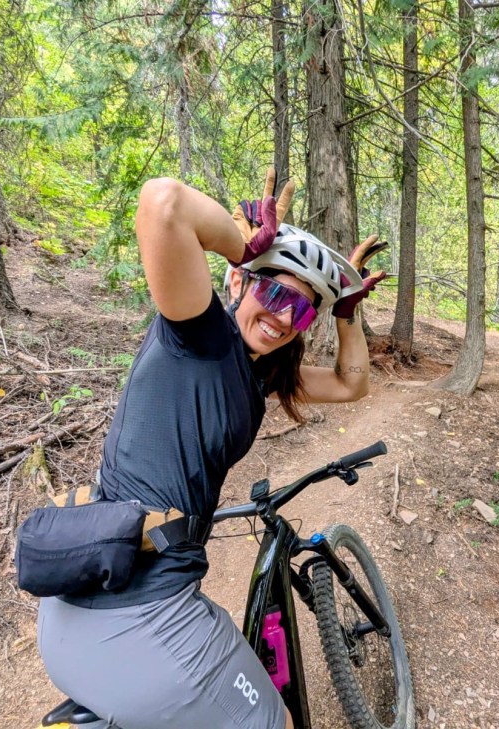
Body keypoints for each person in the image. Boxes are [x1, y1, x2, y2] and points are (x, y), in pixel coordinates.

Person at [36, 169, 387, 729]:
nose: (280, 316)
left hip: (83, 603)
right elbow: (161, 202)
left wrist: (346, 311)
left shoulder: (256, 373)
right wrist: (243, 243)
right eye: (272, 289)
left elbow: (352, 384)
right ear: (238, 284)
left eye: (299, 311)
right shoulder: (198, 336)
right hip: (139, 617)